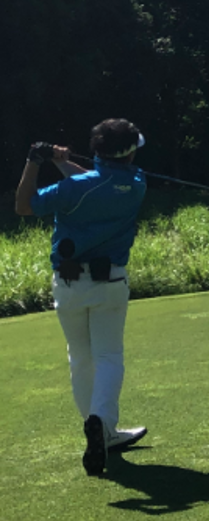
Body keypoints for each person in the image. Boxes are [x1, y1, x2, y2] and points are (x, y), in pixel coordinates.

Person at [15, 118, 150, 476]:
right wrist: (59, 161)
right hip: (110, 282)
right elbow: (100, 182)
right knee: (108, 355)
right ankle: (102, 425)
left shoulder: (73, 189)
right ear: (130, 153)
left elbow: (25, 206)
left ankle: (97, 426)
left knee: (80, 357)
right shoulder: (137, 183)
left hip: (69, 283)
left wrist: (34, 161)